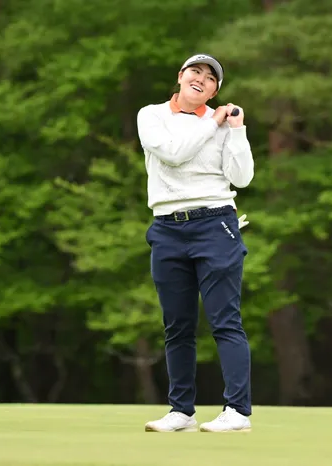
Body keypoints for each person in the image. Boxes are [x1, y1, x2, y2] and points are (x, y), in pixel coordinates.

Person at [136, 53, 254, 433]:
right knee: (177, 325)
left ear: (214, 90)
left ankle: (237, 412)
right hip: (167, 227)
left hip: (215, 224)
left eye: (210, 77)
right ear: (181, 76)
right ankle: (181, 412)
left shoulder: (222, 125)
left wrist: (236, 130)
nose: (201, 78)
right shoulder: (151, 116)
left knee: (225, 321)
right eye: (195, 71)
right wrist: (213, 122)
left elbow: (242, 177)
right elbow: (173, 154)